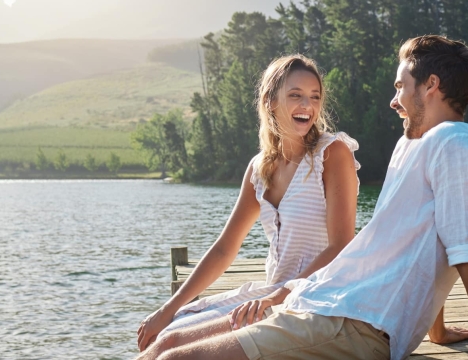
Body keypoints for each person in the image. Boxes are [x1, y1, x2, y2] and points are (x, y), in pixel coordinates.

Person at [136, 35, 468, 360]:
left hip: (356, 321)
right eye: (295, 95)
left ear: (431, 85)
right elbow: (420, 246)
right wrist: (435, 332)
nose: (394, 101)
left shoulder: (452, 144)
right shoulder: (413, 146)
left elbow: (462, 249)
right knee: (168, 341)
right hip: (323, 299)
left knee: (173, 356)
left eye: (399, 87)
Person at [137, 54, 360, 352]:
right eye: (295, 95)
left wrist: (277, 297)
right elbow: (224, 248)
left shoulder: (332, 154)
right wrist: (167, 309)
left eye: (314, 97)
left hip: (315, 300)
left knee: (173, 344)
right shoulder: (260, 168)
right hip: (271, 295)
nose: (307, 105)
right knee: (165, 332)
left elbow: (341, 245)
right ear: (270, 101)